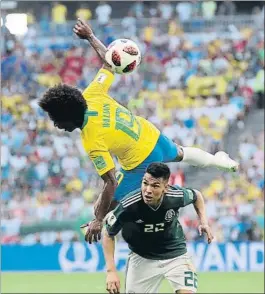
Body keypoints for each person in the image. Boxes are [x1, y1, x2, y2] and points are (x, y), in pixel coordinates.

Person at [38, 19, 238, 243]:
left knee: (101, 207)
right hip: (149, 133)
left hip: (141, 161)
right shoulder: (91, 94)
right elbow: (111, 62)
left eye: (56, 119)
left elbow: (110, 182)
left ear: (68, 116)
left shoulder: (92, 139)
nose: (56, 125)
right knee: (182, 153)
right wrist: (91, 37)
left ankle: (130, 237)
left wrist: (98, 219)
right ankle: (219, 160)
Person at [103, 162, 214, 294]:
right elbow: (108, 233)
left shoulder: (175, 196)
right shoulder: (129, 205)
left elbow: (196, 196)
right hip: (142, 258)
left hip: (175, 255)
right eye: (145, 183)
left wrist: (204, 222)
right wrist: (111, 271)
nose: (148, 190)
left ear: (165, 187)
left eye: (155, 185)